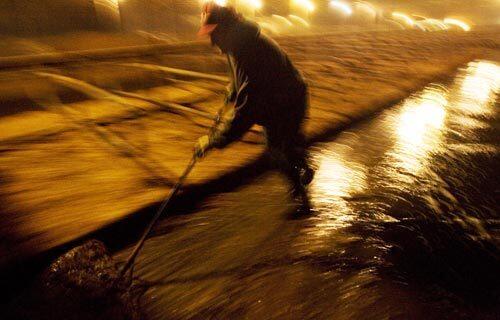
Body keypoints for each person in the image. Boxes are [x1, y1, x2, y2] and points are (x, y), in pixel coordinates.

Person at [194, 2, 315, 210]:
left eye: (213, 34)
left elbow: (245, 112)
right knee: (283, 148)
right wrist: (231, 92)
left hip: (288, 101)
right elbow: (240, 82)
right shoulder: (238, 43)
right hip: (276, 99)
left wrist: (212, 141)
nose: (212, 42)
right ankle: (301, 162)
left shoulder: (246, 49)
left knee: (275, 152)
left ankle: (302, 199)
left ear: (223, 29)